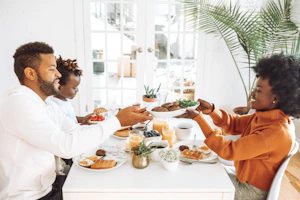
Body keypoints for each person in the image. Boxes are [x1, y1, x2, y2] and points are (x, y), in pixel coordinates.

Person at [0, 41, 153, 200]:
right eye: (52, 69)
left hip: (50, 186)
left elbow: (76, 131)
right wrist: (117, 121)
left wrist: (123, 120)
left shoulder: (46, 104)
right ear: (30, 74)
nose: (58, 74)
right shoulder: (18, 103)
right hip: (29, 197)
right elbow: (66, 146)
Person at [177, 53, 299, 200]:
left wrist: (199, 119)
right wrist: (212, 111)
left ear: (275, 98)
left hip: (250, 191)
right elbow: (234, 124)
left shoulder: (274, 133)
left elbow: (228, 151)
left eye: (259, 90)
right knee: (197, 166)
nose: (252, 93)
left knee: (195, 178)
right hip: (242, 177)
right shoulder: (267, 117)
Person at [47, 56, 91, 124]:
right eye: (74, 87)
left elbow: (70, 118)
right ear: (59, 86)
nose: (77, 90)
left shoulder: (63, 101)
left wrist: (83, 118)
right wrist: (84, 123)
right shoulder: (56, 106)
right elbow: (68, 131)